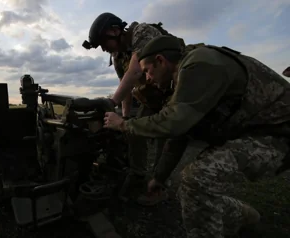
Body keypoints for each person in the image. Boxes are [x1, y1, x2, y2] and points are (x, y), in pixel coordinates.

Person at [103, 35, 290, 237]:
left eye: (147, 71)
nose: (147, 78)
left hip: (278, 133)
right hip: (255, 131)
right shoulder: (183, 79)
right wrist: (159, 177)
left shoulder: (198, 63)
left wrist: (123, 123)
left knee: (197, 179)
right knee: (190, 190)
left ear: (160, 61)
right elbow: (180, 134)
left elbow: (173, 124)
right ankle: (244, 216)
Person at [83, 12, 185, 205]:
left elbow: (135, 70)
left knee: (165, 138)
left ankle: (158, 186)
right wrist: (125, 118)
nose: (104, 48)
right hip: (153, 98)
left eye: (104, 42)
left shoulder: (142, 32)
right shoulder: (117, 56)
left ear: (115, 30)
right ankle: (138, 175)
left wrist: (110, 103)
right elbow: (127, 87)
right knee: (134, 131)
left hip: (175, 93)